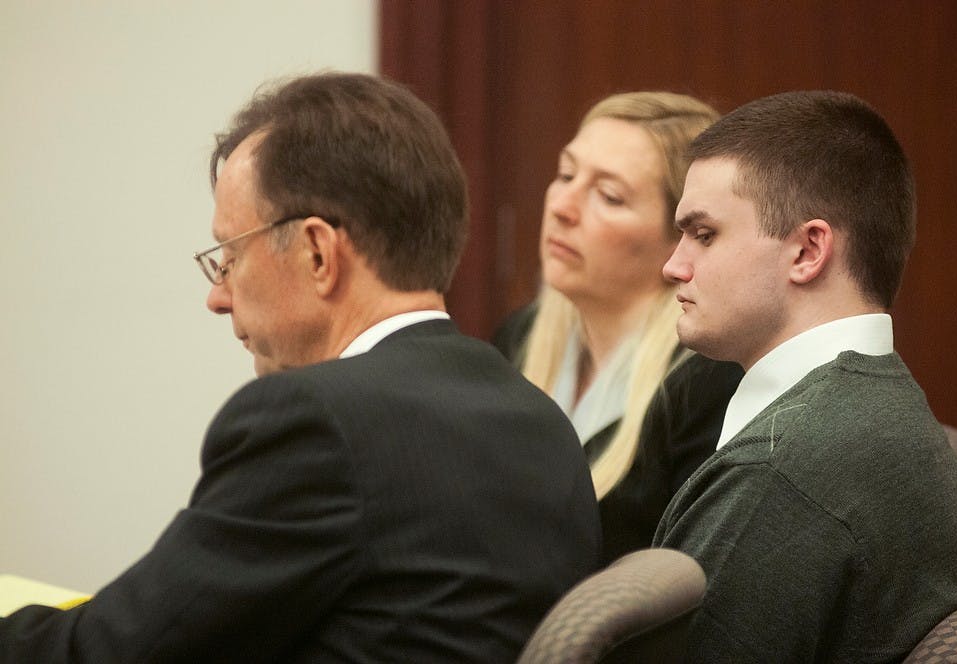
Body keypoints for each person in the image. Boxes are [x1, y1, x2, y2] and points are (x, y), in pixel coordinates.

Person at [0, 72, 601, 663]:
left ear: (318, 252)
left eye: (228, 257)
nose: (218, 296)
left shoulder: (316, 423)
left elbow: (115, 651)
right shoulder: (538, 416)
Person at [652, 90, 957, 662]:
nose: (674, 265)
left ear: (808, 251)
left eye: (704, 234)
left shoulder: (779, 471)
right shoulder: (889, 407)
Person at [493, 92, 743, 563]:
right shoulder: (517, 339)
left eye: (609, 196)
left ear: (681, 237)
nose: (563, 206)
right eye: (566, 175)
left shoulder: (706, 385)